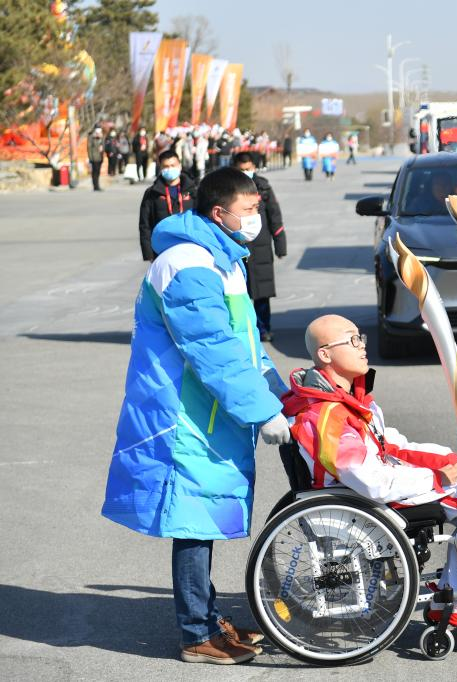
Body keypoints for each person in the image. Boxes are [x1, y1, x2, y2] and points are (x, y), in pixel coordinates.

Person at [102, 167, 292, 665]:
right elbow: (213, 351)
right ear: (219, 212)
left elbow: (244, 343)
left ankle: (208, 616)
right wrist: (262, 410)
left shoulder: (223, 258)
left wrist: (279, 391)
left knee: (203, 515)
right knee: (192, 520)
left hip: (208, 411)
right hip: (181, 415)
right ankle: (195, 633)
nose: (256, 218)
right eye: (249, 210)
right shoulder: (187, 264)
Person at [282, 314, 457, 626]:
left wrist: (446, 460)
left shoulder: (350, 399)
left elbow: (391, 446)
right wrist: (437, 478)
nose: (362, 346)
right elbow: (372, 482)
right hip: (355, 504)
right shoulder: (325, 414)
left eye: (360, 337)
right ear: (325, 354)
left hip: (365, 494)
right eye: (352, 340)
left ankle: (455, 591)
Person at [232, 152, 286, 342]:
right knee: (238, 293)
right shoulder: (229, 189)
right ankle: (243, 330)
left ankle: (264, 328)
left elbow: (274, 216)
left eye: (248, 169)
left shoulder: (263, 187)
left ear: (254, 167)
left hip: (261, 247)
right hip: (237, 247)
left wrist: (280, 245)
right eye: (241, 169)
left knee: (262, 292)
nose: (245, 172)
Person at [138, 149, 196, 261]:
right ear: (160, 168)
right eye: (166, 166)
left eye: (173, 165)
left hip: (190, 246)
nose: (170, 169)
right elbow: (145, 225)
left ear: (179, 166)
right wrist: (149, 254)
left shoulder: (193, 190)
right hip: (162, 249)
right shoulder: (152, 193)